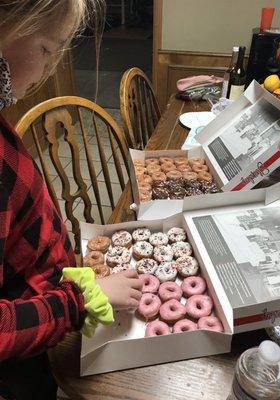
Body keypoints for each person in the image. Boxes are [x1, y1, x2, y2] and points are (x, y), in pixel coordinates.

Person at [0, 1, 142, 399]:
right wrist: (79, 301)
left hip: (47, 297)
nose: (49, 70)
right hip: (24, 358)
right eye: (47, 49)